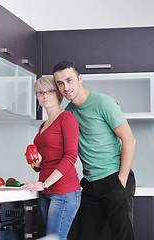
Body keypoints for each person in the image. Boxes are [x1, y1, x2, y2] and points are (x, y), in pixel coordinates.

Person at [52, 60, 136, 240]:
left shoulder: (103, 102)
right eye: (60, 83)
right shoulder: (69, 113)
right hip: (90, 184)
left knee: (123, 237)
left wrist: (120, 180)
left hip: (114, 178)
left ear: (80, 78)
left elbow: (129, 139)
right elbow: (63, 150)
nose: (66, 87)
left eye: (69, 80)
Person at [21, 76, 81, 240]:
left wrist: (45, 183)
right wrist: (37, 164)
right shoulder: (43, 125)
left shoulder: (67, 118)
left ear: (58, 95)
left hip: (64, 191)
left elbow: (71, 156)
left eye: (49, 91)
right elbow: (42, 164)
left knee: (55, 238)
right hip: (46, 190)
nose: (45, 95)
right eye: (40, 92)